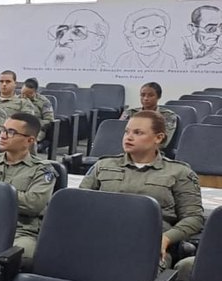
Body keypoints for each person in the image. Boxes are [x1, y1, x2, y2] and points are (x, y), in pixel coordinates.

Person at [80, 110, 204, 268]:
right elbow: (80, 204)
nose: (129, 137)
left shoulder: (179, 172)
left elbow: (194, 218)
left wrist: (166, 238)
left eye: (138, 133)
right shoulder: (103, 166)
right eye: (127, 132)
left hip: (149, 245)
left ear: (158, 138)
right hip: (101, 239)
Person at [0, 113, 57, 263]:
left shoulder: (42, 170)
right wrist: (11, 197)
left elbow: (33, 204)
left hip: (21, 231)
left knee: (15, 257)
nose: (3, 136)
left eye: (11, 132)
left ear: (29, 140)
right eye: (3, 130)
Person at [121, 82, 178, 149]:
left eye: (150, 95)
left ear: (158, 97)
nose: (145, 98)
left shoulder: (168, 115)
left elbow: (164, 142)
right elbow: (118, 134)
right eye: (142, 95)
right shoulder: (130, 113)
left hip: (153, 152)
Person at [19, 78, 56, 142]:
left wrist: (34, 124)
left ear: (35, 92)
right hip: (17, 127)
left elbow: (49, 120)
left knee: (25, 140)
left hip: (35, 129)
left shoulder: (44, 102)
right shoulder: (17, 99)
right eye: (23, 94)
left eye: (28, 95)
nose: (24, 97)